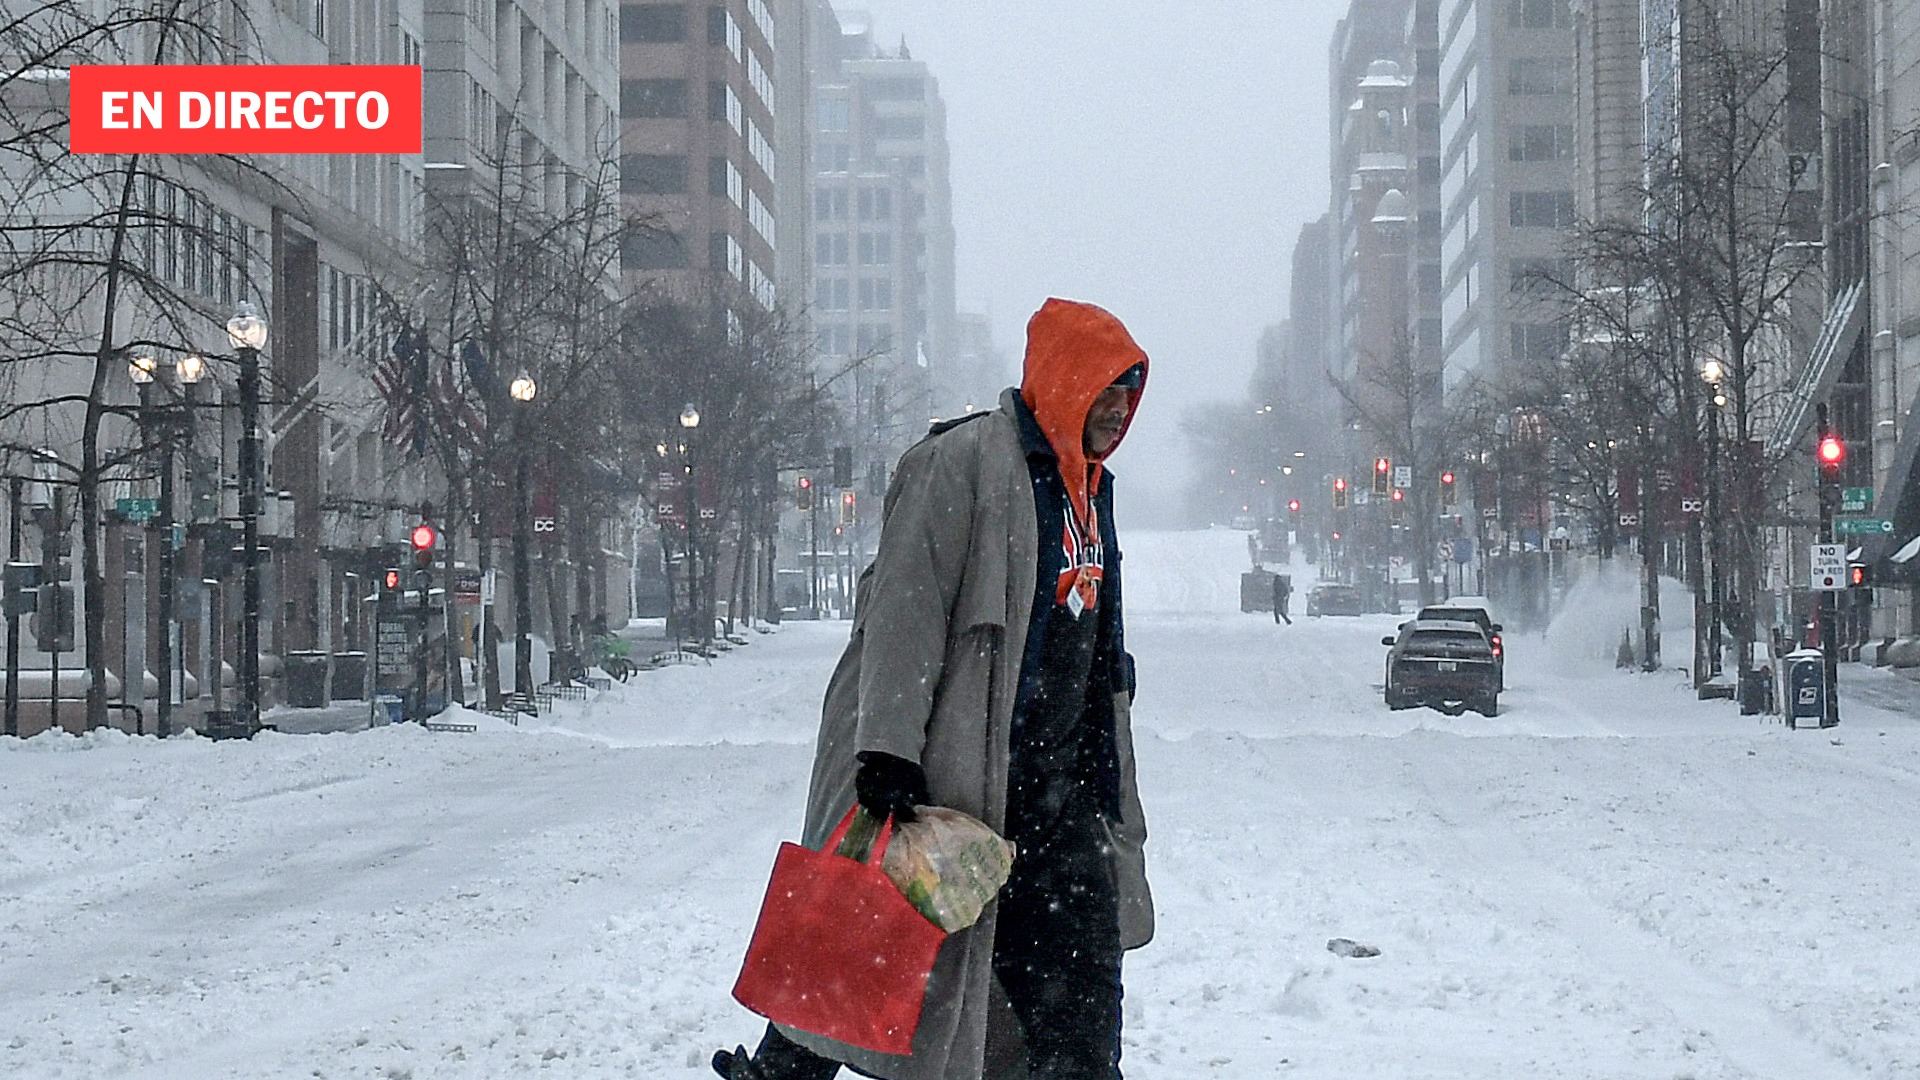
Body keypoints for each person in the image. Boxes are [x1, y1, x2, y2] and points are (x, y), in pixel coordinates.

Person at [714, 298, 1156, 1080]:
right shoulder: (961, 466)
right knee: (882, 938)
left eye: (1130, 394)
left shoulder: (1089, 489)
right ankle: (787, 1069)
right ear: (1064, 381)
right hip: (968, 778)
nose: (1118, 411)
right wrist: (887, 749)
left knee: (1076, 990)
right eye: (1105, 391)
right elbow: (904, 611)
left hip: (1064, 798)